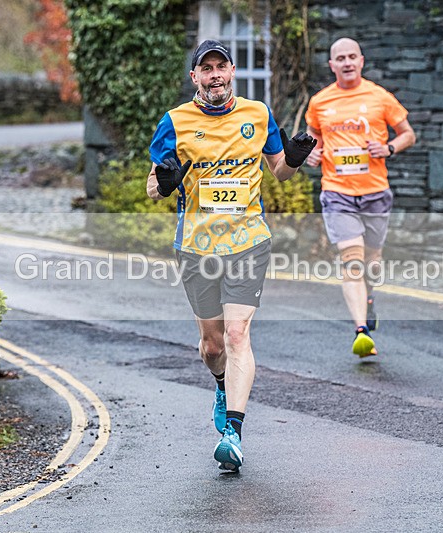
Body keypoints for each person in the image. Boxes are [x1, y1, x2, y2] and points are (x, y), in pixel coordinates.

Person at [146, 39, 316, 471]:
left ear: (232, 71)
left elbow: (279, 170)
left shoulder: (257, 114)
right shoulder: (175, 122)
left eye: (221, 67)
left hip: (248, 241)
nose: (215, 75)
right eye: (206, 69)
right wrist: (165, 182)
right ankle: (221, 384)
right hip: (196, 247)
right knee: (213, 344)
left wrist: (295, 158)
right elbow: (152, 188)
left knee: (238, 334)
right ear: (195, 77)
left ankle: (233, 435)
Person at [305, 37, 416, 358]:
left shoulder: (380, 97)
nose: (347, 62)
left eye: (352, 56)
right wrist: (311, 153)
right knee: (352, 261)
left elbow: (408, 134)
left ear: (361, 61)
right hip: (337, 192)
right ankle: (361, 331)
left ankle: (368, 298)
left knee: (372, 263)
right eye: (340, 58)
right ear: (332, 65)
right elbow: (313, 137)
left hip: (375, 192)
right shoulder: (320, 102)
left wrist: (389, 148)